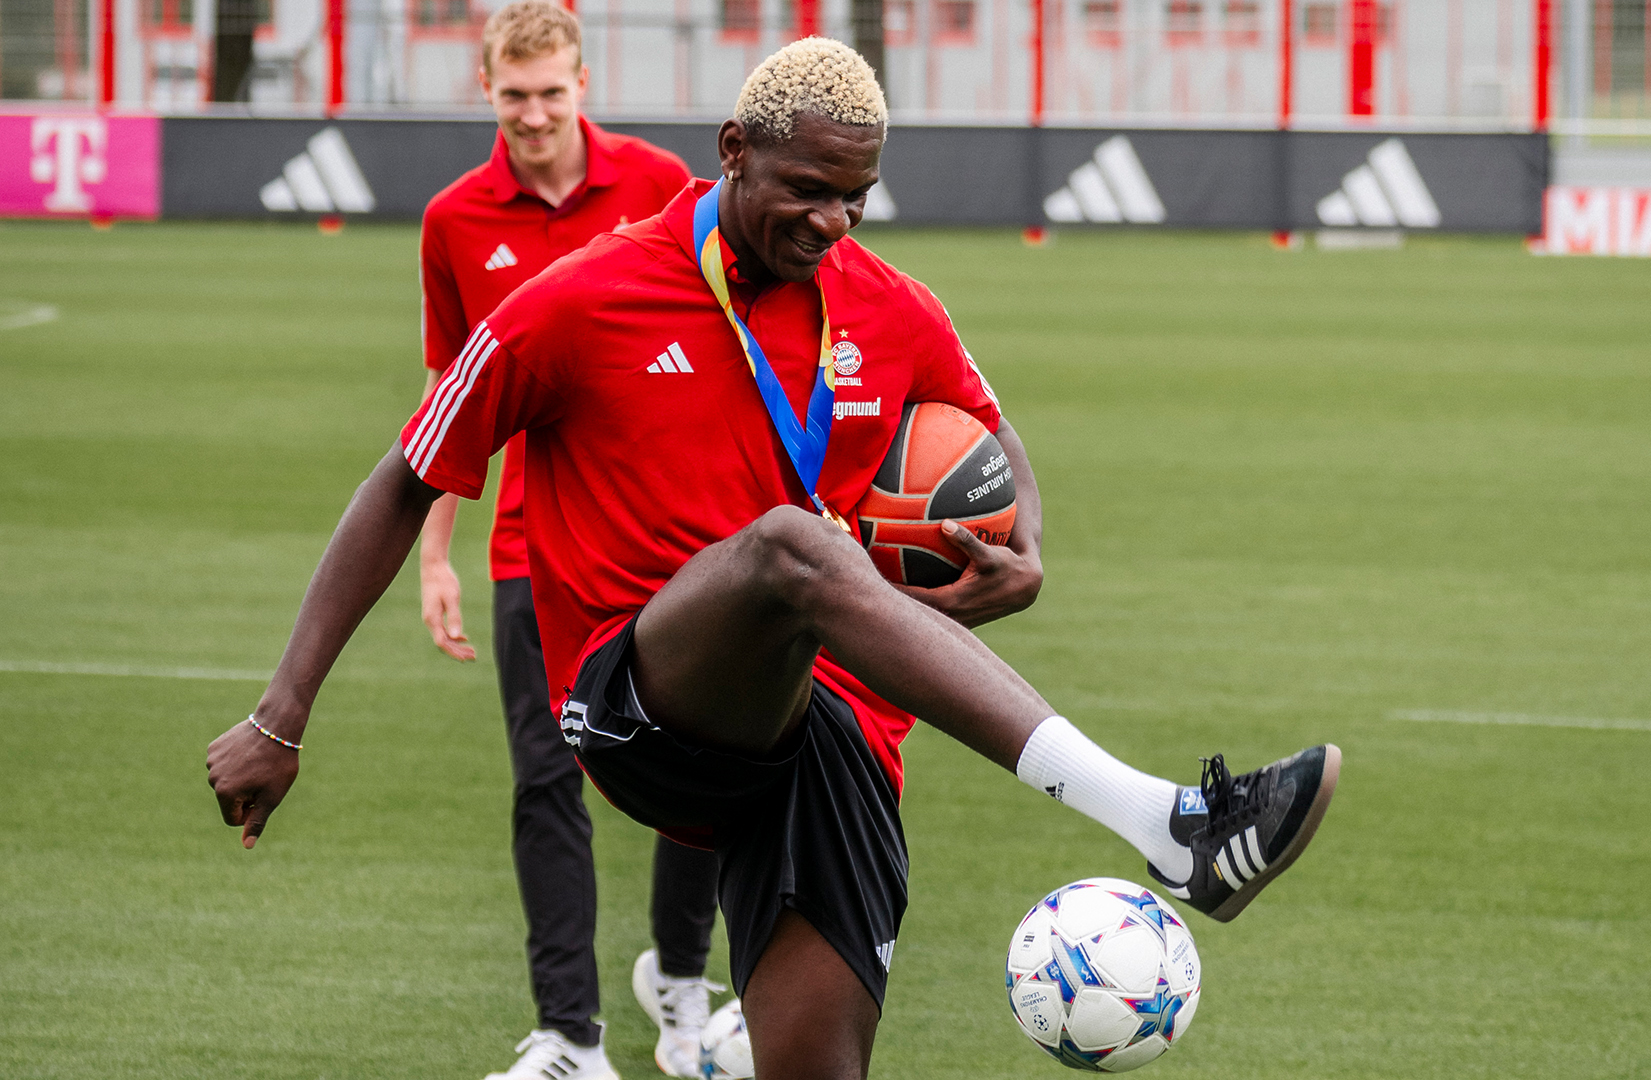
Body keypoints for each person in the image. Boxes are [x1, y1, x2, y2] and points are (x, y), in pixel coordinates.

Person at [207, 38, 1340, 1080]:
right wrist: (279, 716)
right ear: (735, 153)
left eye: (858, 196)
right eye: (809, 190)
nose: (836, 221)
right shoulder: (578, 302)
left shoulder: (891, 308)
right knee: (792, 553)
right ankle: (1170, 825)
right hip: (640, 701)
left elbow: (988, 429)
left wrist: (1021, 541)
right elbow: (405, 477)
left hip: (829, 746)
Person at [412, 3, 722, 1076]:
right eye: (514, 95)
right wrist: (435, 549)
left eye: (552, 92)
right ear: (486, 90)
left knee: (702, 765)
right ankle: (570, 1039)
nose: (534, 114)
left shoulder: (662, 189)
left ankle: (683, 990)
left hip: (672, 544)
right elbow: (451, 392)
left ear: (583, 85)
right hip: (530, 553)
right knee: (546, 778)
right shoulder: (454, 220)